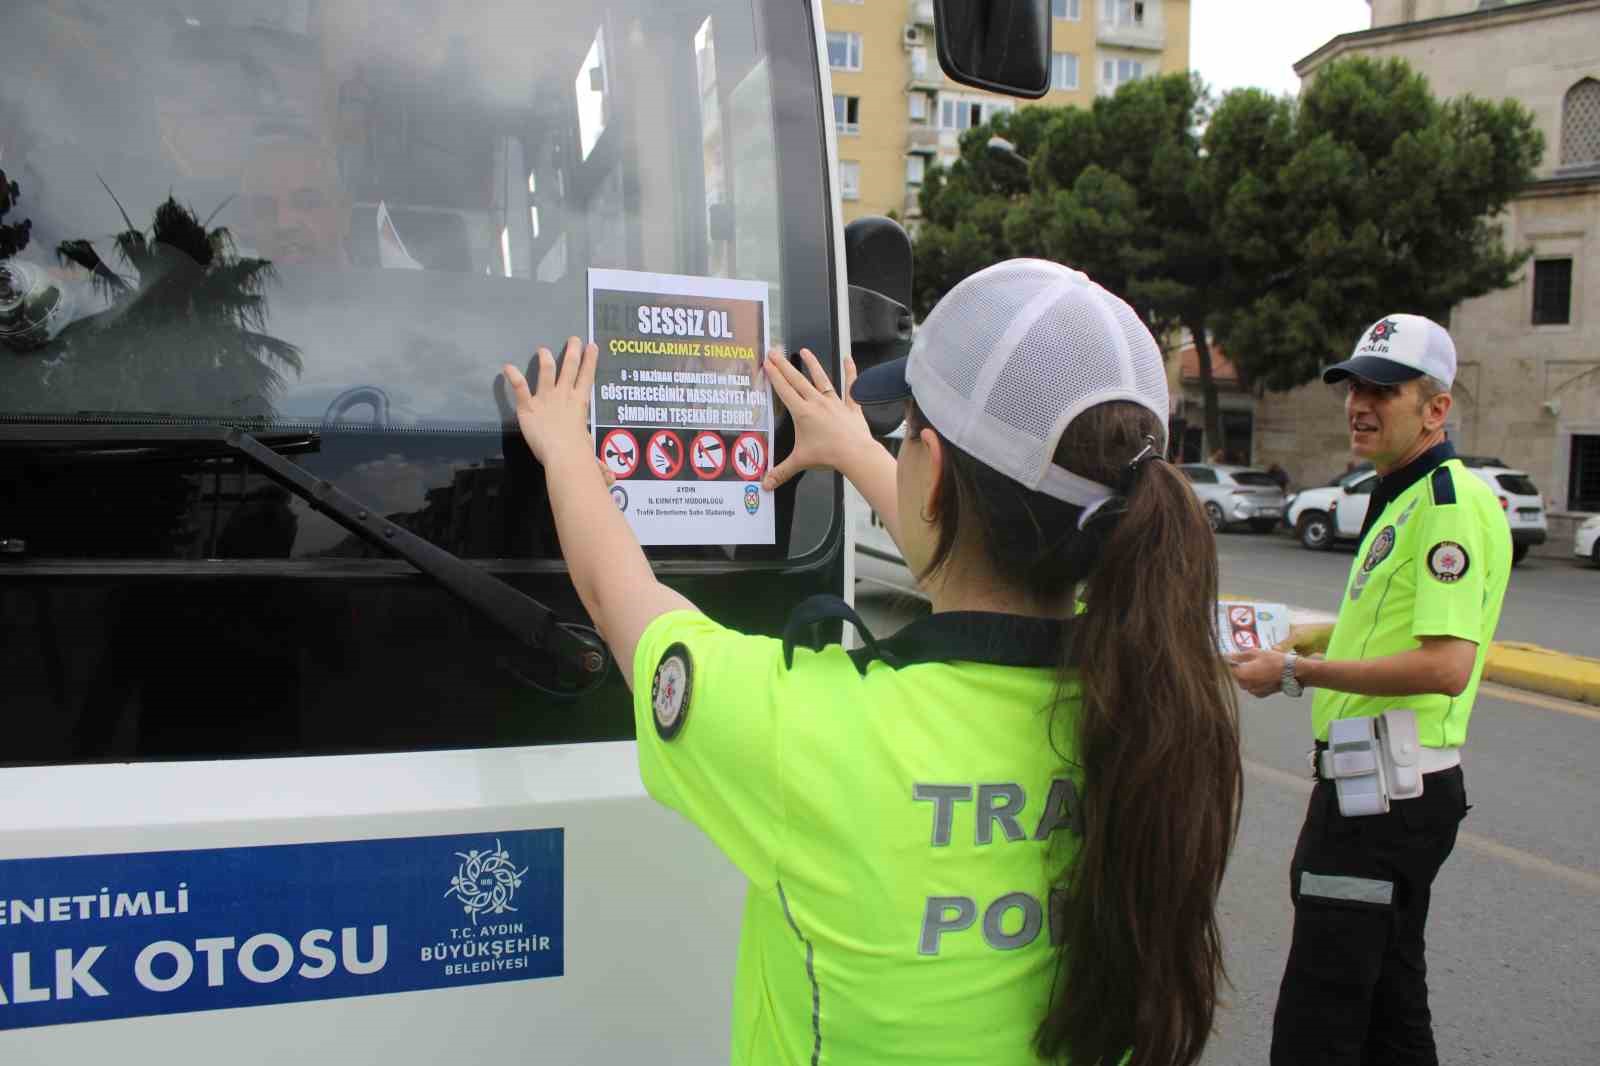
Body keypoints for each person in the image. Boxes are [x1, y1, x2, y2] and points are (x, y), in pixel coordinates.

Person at [501, 259, 1242, 1065]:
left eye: (905, 435)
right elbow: (972, 556)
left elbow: (619, 600)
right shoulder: (1147, 707)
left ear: (931, 478)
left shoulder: (806, 731)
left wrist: (566, 447)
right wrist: (858, 449)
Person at [1230, 313, 1511, 1065]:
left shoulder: (1446, 505)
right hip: (1383, 790)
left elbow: (1445, 663)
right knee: (1388, 1005)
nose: (1361, 402)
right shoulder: (1405, 492)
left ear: (1436, 408)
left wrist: (1294, 672)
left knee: (1319, 1022)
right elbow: (1390, 627)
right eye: (1354, 385)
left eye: (1384, 389)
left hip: (1383, 801)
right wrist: (1308, 639)